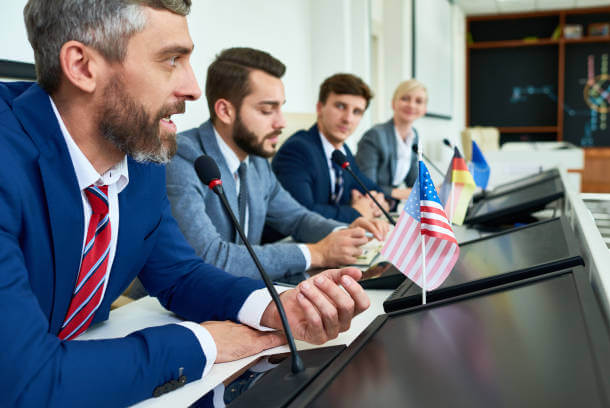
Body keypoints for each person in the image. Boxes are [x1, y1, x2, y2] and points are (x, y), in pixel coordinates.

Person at [0, 2, 369, 406]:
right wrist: (203, 343)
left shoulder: (139, 153)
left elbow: (178, 274)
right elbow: (26, 378)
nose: (194, 89)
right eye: (171, 59)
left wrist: (278, 306)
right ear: (83, 66)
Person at [166, 48, 388, 281]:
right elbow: (210, 257)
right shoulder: (181, 157)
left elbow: (297, 217)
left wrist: (343, 233)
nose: (281, 122)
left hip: (237, 293)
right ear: (225, 111)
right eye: (267, 110)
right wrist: (317, 253)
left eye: (281, 107)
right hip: (162, 307)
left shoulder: (257, 162)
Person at [272, 73, 389, 224]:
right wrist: (356, 212)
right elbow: (302, 212)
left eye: (357, 112)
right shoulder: (297, 150)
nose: (348, 119)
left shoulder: (343, 151)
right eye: (340, 106)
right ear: (320, 108)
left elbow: (368, 186)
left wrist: (377, 200)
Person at [355, 79, 427, 201]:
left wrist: (431, 189)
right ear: (393, 103)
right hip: (368, 203)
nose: (411, 105)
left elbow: (414, 182)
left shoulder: (414, 136)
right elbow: (367, 186)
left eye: (418, 101)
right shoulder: (375, 135)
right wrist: (403, 193)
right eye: (405, 98)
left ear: (424, 109)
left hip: (390, 204)